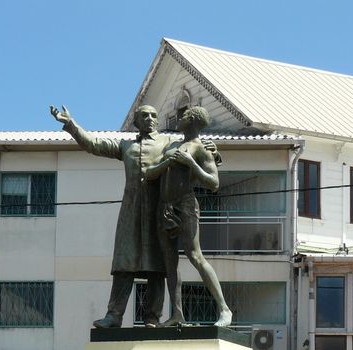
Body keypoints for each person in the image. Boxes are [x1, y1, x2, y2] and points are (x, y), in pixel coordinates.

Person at [50, 103, 168, 328]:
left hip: (157, 211)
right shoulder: (126, 146)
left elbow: (191, 150)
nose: (150, 119)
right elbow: (94, 144)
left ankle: (153, 317)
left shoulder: (168, 143)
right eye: (145, 115)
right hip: (131, 211)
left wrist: (209, 149)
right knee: (124, 264)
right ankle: (114, 316)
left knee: (157, 265)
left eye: (154, 115)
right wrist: (71, 124)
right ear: (136, 121)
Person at [145, 106, 232, 327]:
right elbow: (153, 169)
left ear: (192, 120)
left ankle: (224, 309)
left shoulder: (201, 148)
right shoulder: (172, 145)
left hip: (185, 204)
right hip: (164, 207)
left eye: (183, 116)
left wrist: (191, 163)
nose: (179, 118)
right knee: (169, 264)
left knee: (195, 255)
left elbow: (214, 183)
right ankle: (177, 314)